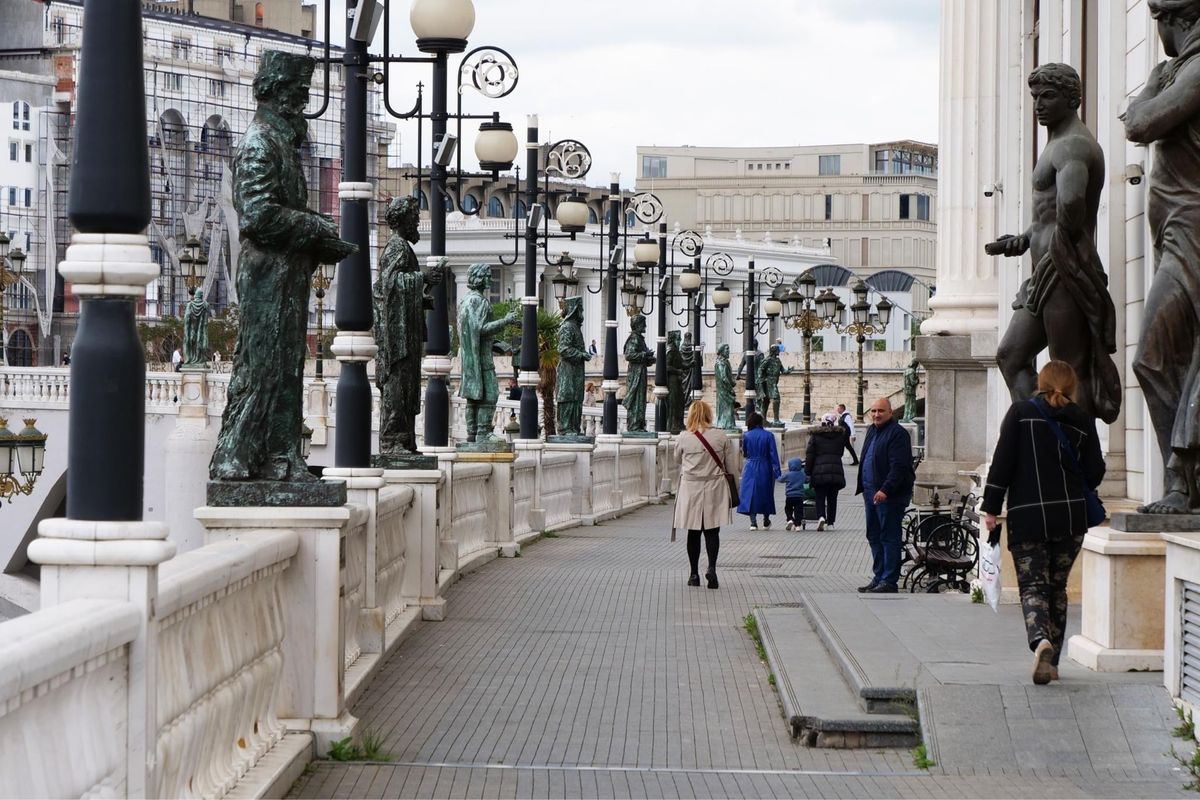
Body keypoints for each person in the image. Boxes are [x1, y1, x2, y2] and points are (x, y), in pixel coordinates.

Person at [987, 62, 1120, 425]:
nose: (1038, 104)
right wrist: (1025, 238)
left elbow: (1072, 205)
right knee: (1011, 356)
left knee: (1068, 370)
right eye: (1035, 96)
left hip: (1065, 271)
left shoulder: (1074, 145)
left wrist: (1050, 250)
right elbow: (1049, 217)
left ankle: (1074, 457)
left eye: (1048, 96)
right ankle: (1040, 435)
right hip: (1044, 273)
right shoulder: (1056, 145)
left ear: (1072, 98)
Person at [980, 361, 1104, 684]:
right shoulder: (1083, 420)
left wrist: (991, 508)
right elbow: (1094, 473)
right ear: (1072, 386)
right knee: (1057, 587)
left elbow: (1002, 463)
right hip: (1070, 518)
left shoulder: (1021, 414)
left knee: (1033, 585)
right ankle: (1054, 662)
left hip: (1029, 516)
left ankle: (1041, 642)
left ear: (1040, 383)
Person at [1125, 3, 1200, 514]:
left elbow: (1140, 122)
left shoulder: (1196, 69)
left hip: (1194, 231)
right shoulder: (1175, 70)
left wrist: (1152, 87)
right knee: (1157, 358)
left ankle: (1182, 480)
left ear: (1175, 20)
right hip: (1174, 233)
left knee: (1154, 354)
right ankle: (1183, 482)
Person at [672, 400, 734, 589]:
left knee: (693, 531)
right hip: (714, 486)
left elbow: (676, 460)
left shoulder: (683, 437)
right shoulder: (721, 436)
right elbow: (731, 467)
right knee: (712, 530)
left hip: (691, 488)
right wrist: (735, 491)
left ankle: (693, 574)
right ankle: (712, 568)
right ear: (709, 415)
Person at [855, 398, 914, 593]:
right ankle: (879, 575)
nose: (876, 415)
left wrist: (885, 490)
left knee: (889, 536)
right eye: (873, 411)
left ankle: (889, 580)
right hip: (871, 494)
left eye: (881, 411)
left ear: (890, 412)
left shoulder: (898, 434)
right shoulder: (872, 430)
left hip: (889, 497)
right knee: (873, 535)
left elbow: (899, 467)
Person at [737, 411, 781, 529]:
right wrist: (777, 472)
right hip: (764, 466)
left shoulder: (746, 435)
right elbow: (773, 455)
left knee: (750, 493)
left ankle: (753, 522)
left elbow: (745, 453)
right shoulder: (769, 435)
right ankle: (766, 519)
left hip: (750, 466)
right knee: (766, 492)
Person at [806, 413, 848, 531]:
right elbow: (840, 453)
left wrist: (808, 472)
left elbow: (810, 455)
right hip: (836, 470)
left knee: (820, 496)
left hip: (819, 470)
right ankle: (831, 522)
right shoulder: (840, 436)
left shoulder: (815, 436)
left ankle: (821, 517)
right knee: (832, 498)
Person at [778, 457, 808, 531]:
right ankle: (797, 525)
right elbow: (807, 480)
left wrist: (777, 475)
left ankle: (790, 519)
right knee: (798, 511)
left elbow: (780, 480)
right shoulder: (802, 474)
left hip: (789, 496)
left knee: (788, 509)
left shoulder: (788, 474)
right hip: (799, 497)